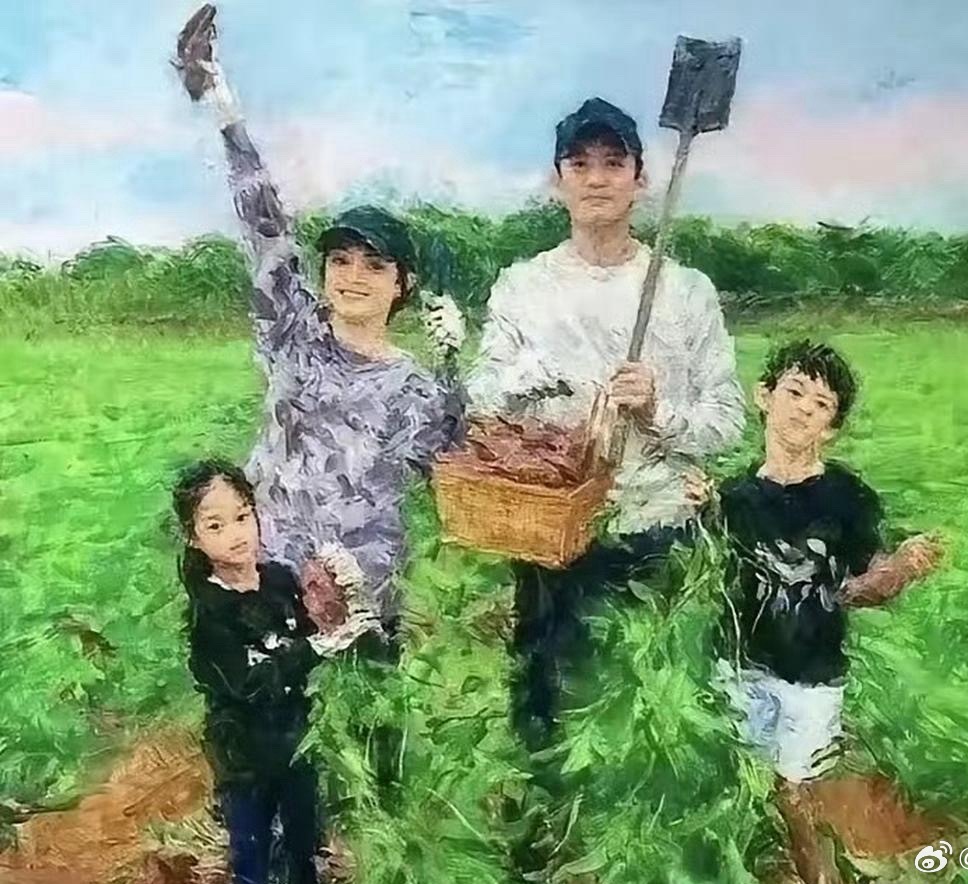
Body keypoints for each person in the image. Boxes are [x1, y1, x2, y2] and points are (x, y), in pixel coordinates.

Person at [174, 5, 465, 655]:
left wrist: (451, 363)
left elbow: (448, 468)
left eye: (374, 265)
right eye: (340, 261)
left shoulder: (413, 385)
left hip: (360, 591)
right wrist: (223, 107)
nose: (353, 277)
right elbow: (265, 226)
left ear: (402, 285)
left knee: (362, 707)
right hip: (265, 578)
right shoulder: (295, 333)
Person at [465, 96, 744, 748]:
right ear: (556, 180)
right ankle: (541, 803)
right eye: (580, 163)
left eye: (614, 163)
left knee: (653, 713)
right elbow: (481, 398)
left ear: (640, 180)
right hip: (552, 533)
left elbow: (728, 420)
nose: (597, 178)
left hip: (656, 530)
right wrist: (526, 383)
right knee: (547, 712)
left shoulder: (686, 291)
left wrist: (657, 410)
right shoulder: (522, 288)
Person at [712, 340, 942, 884]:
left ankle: (818, 872)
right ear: (764, 396)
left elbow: (864, 586)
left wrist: (901, 569)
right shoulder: (732, 497)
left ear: (831, 428)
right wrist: (699, 511)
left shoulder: (847, 497)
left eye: (821, 406)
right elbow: (704, 572)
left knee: (798, 792)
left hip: (812, 675)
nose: (803, 410)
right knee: (744, 786)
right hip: (738, 666)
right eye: (795, 392)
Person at [174, 459, 336, 884]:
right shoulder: (210, 615)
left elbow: (309, 635)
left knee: (303, 844)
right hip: (244, 756)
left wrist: (332, 607)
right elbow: (249, 683)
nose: (235, 534)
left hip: (295, 741)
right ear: (193, 537)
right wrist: (310, 650)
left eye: (242, 517)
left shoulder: (279, 581)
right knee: (253, 853)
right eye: (216, 526)